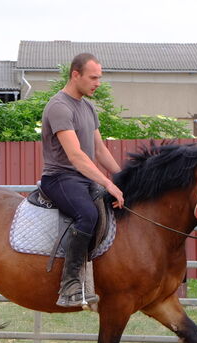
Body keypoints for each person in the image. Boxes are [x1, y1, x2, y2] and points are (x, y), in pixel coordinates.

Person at [40, 53, 125, 307]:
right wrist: (107, 183)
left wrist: (122, 179)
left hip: (83, 179)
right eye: (93, 77)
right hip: (60, 178)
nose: (98, 82)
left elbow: (99, 150)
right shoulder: (59, 107)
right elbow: (76, 156)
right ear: (75, 74)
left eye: (99, 77)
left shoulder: (87, 107)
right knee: (87, 214)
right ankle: (70, 285)